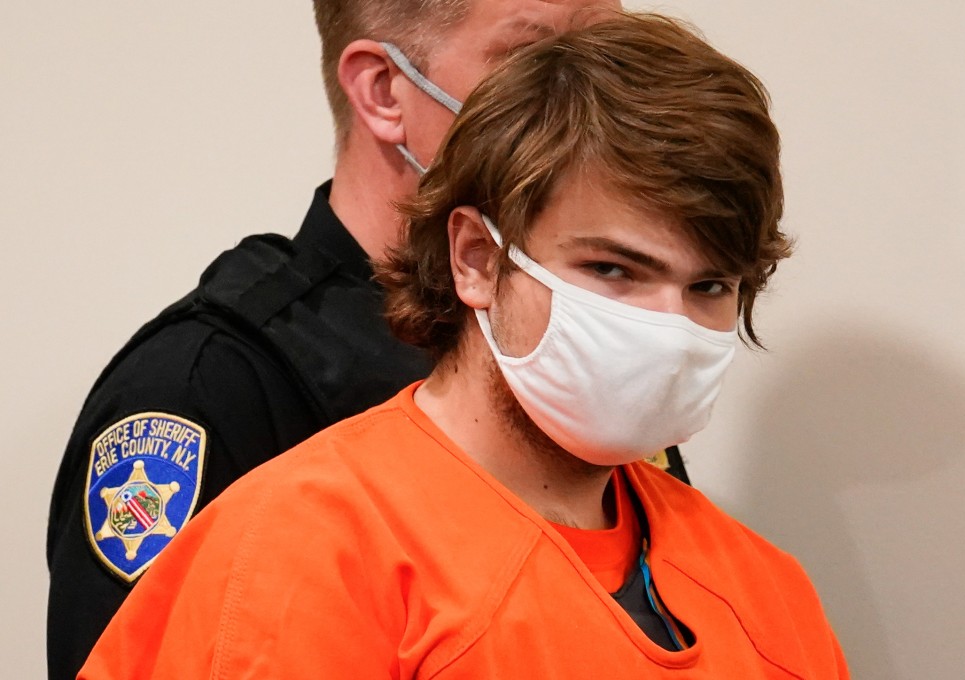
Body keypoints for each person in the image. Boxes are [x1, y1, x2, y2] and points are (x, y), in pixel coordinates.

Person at [77, 13, 849, 678]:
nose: (666, 326)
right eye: (612, 269)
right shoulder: (302, 551)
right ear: (478, 259)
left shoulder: (764, 595)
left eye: (710, 288)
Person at [45, 1, 640, 678]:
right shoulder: (209, 387)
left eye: (614, 58)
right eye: (537, 62)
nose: (598, 104)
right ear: (386, 92)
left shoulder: (586, 337)